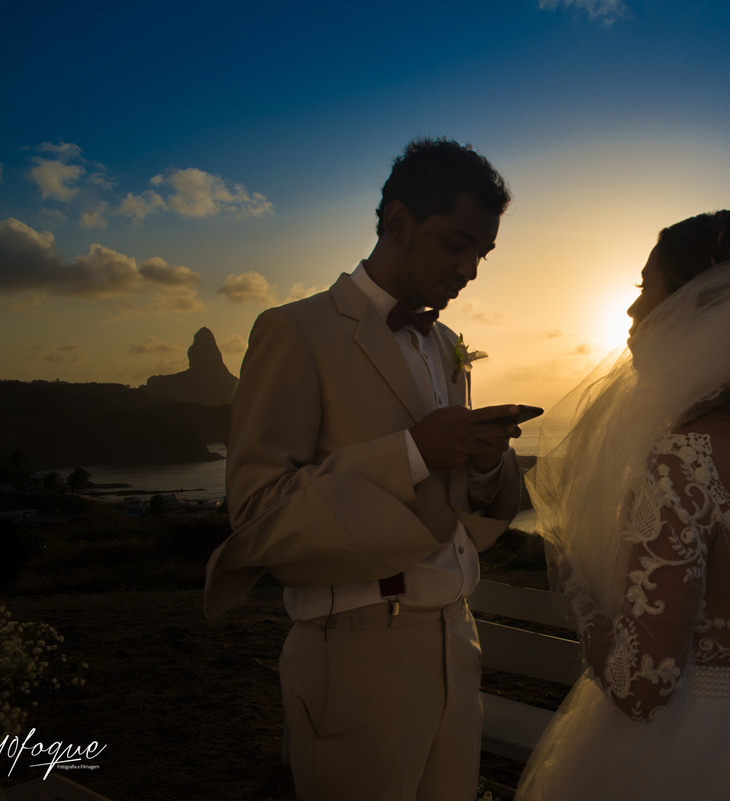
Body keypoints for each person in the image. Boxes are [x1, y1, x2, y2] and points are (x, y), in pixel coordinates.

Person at [203, 138, 522, 801]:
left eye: (481, 255)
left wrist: (482, 465)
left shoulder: (447, 345)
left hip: (458, 643)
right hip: (355, 654)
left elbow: (449, 502)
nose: (468, 270)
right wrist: (412, 452)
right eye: (454, 244)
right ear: (398, 221)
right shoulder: (294, 332)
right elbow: (257, 514)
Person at [517, 210, 730, 801]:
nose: (631, 311)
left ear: (696, 306)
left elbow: (639, 688)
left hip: (673, 758)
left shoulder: (685, 455)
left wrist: (576, 575)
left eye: (645, 290)